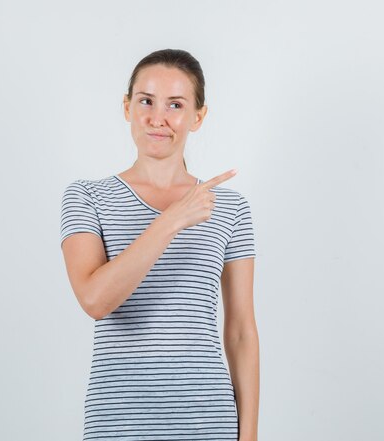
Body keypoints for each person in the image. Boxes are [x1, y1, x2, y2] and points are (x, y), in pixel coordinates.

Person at [60, 48, 259, 441]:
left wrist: (249, 436)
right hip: (118, 424)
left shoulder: (231, 208)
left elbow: (240, 331)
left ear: (197, 117)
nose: (157, 118)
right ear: (127, 106)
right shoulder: (86, 197)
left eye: (176, 105)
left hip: (209, 422)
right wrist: (171, 220)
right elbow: (95, 300)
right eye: (146, 100)